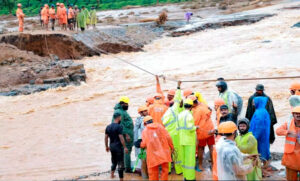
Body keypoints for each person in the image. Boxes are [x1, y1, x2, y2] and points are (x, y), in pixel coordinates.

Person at [139, 116, 174, 180]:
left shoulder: (145, 131)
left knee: (153, 172)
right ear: (152, 121)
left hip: (152, 155)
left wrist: (139, 144)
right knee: (165, 170)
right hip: (164, 153)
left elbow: (144, 144)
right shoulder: (160, 127)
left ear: (145, 123)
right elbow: (168, 137)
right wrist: (172, 147)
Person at [162, 81, 183, 174]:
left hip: (166, 135)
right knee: (176, 152)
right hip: (174, 135)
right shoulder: (175, 109)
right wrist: (178, 87)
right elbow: (178, 99)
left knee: (168, 153)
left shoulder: (165, 114)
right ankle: (178, 170)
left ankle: (168, 170)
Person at [189, 95, 215, 171]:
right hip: (211, 129)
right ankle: (213, 164)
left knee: (201, 149)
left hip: (202, 132)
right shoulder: (203, 104)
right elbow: (210, 111)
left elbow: (194, 122)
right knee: (211, 147)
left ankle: (200, 165)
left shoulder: (196, 111)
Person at [276, 106, 300, 181]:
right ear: (293, 115)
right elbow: (278, 131)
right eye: (296, 113)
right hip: (290, 158)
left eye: (299, 113)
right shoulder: (289, 124)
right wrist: (287, 132)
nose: (298, 115)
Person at [249, 97, 271, 176]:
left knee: (259, 154)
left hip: (259, 137)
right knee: (263, 153)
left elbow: (259, 127)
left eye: (254, 102)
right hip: (263, 136)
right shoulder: (263, 111)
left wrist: (254, 138)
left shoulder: (259, 112)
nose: (253, 104)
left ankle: (262, 172)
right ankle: (263, 171)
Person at [178, 99, 198, 180]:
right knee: (190, 161)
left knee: (184, 160)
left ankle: (185, 176)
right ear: (191, 107)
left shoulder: (180, 114)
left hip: (181, 139)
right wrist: (196, 127)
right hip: (189, 141)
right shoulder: (189, 115)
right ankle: (191, 178)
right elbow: (190, 128)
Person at [112, 96, 134, 173]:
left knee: (125, 151)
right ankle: (127, 168)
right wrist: (126, 134)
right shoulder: (119, 112)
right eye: (126, 104)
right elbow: (119, 125)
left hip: (126, 134)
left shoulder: (121, 111)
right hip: (125, 135)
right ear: (122, 104)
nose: (127, 105)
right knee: (127, 150)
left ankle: (124, 167)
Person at [105, 112, 128, 181]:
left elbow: (106, 137)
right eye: (120, 117)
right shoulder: (119, 126)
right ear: (118, 118)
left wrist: (106, 146)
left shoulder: (108, 126)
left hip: (112, 146)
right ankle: (121, 179)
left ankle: (112, 175)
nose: (121, 118)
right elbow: (121, 137)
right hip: (118, 147)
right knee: (120, 163)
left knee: (114, 161)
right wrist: (125, 147)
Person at [133, 105, 148, 177]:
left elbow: (135, 131)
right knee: (144, 160)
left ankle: (144, 175)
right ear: (141, 113)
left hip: (139, 143)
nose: (147, 112)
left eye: (146, 110)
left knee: (142, 159)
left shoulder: (137, 120)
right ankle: (145, 176)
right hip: (142, 143)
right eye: (145, 111)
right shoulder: (144, 121)